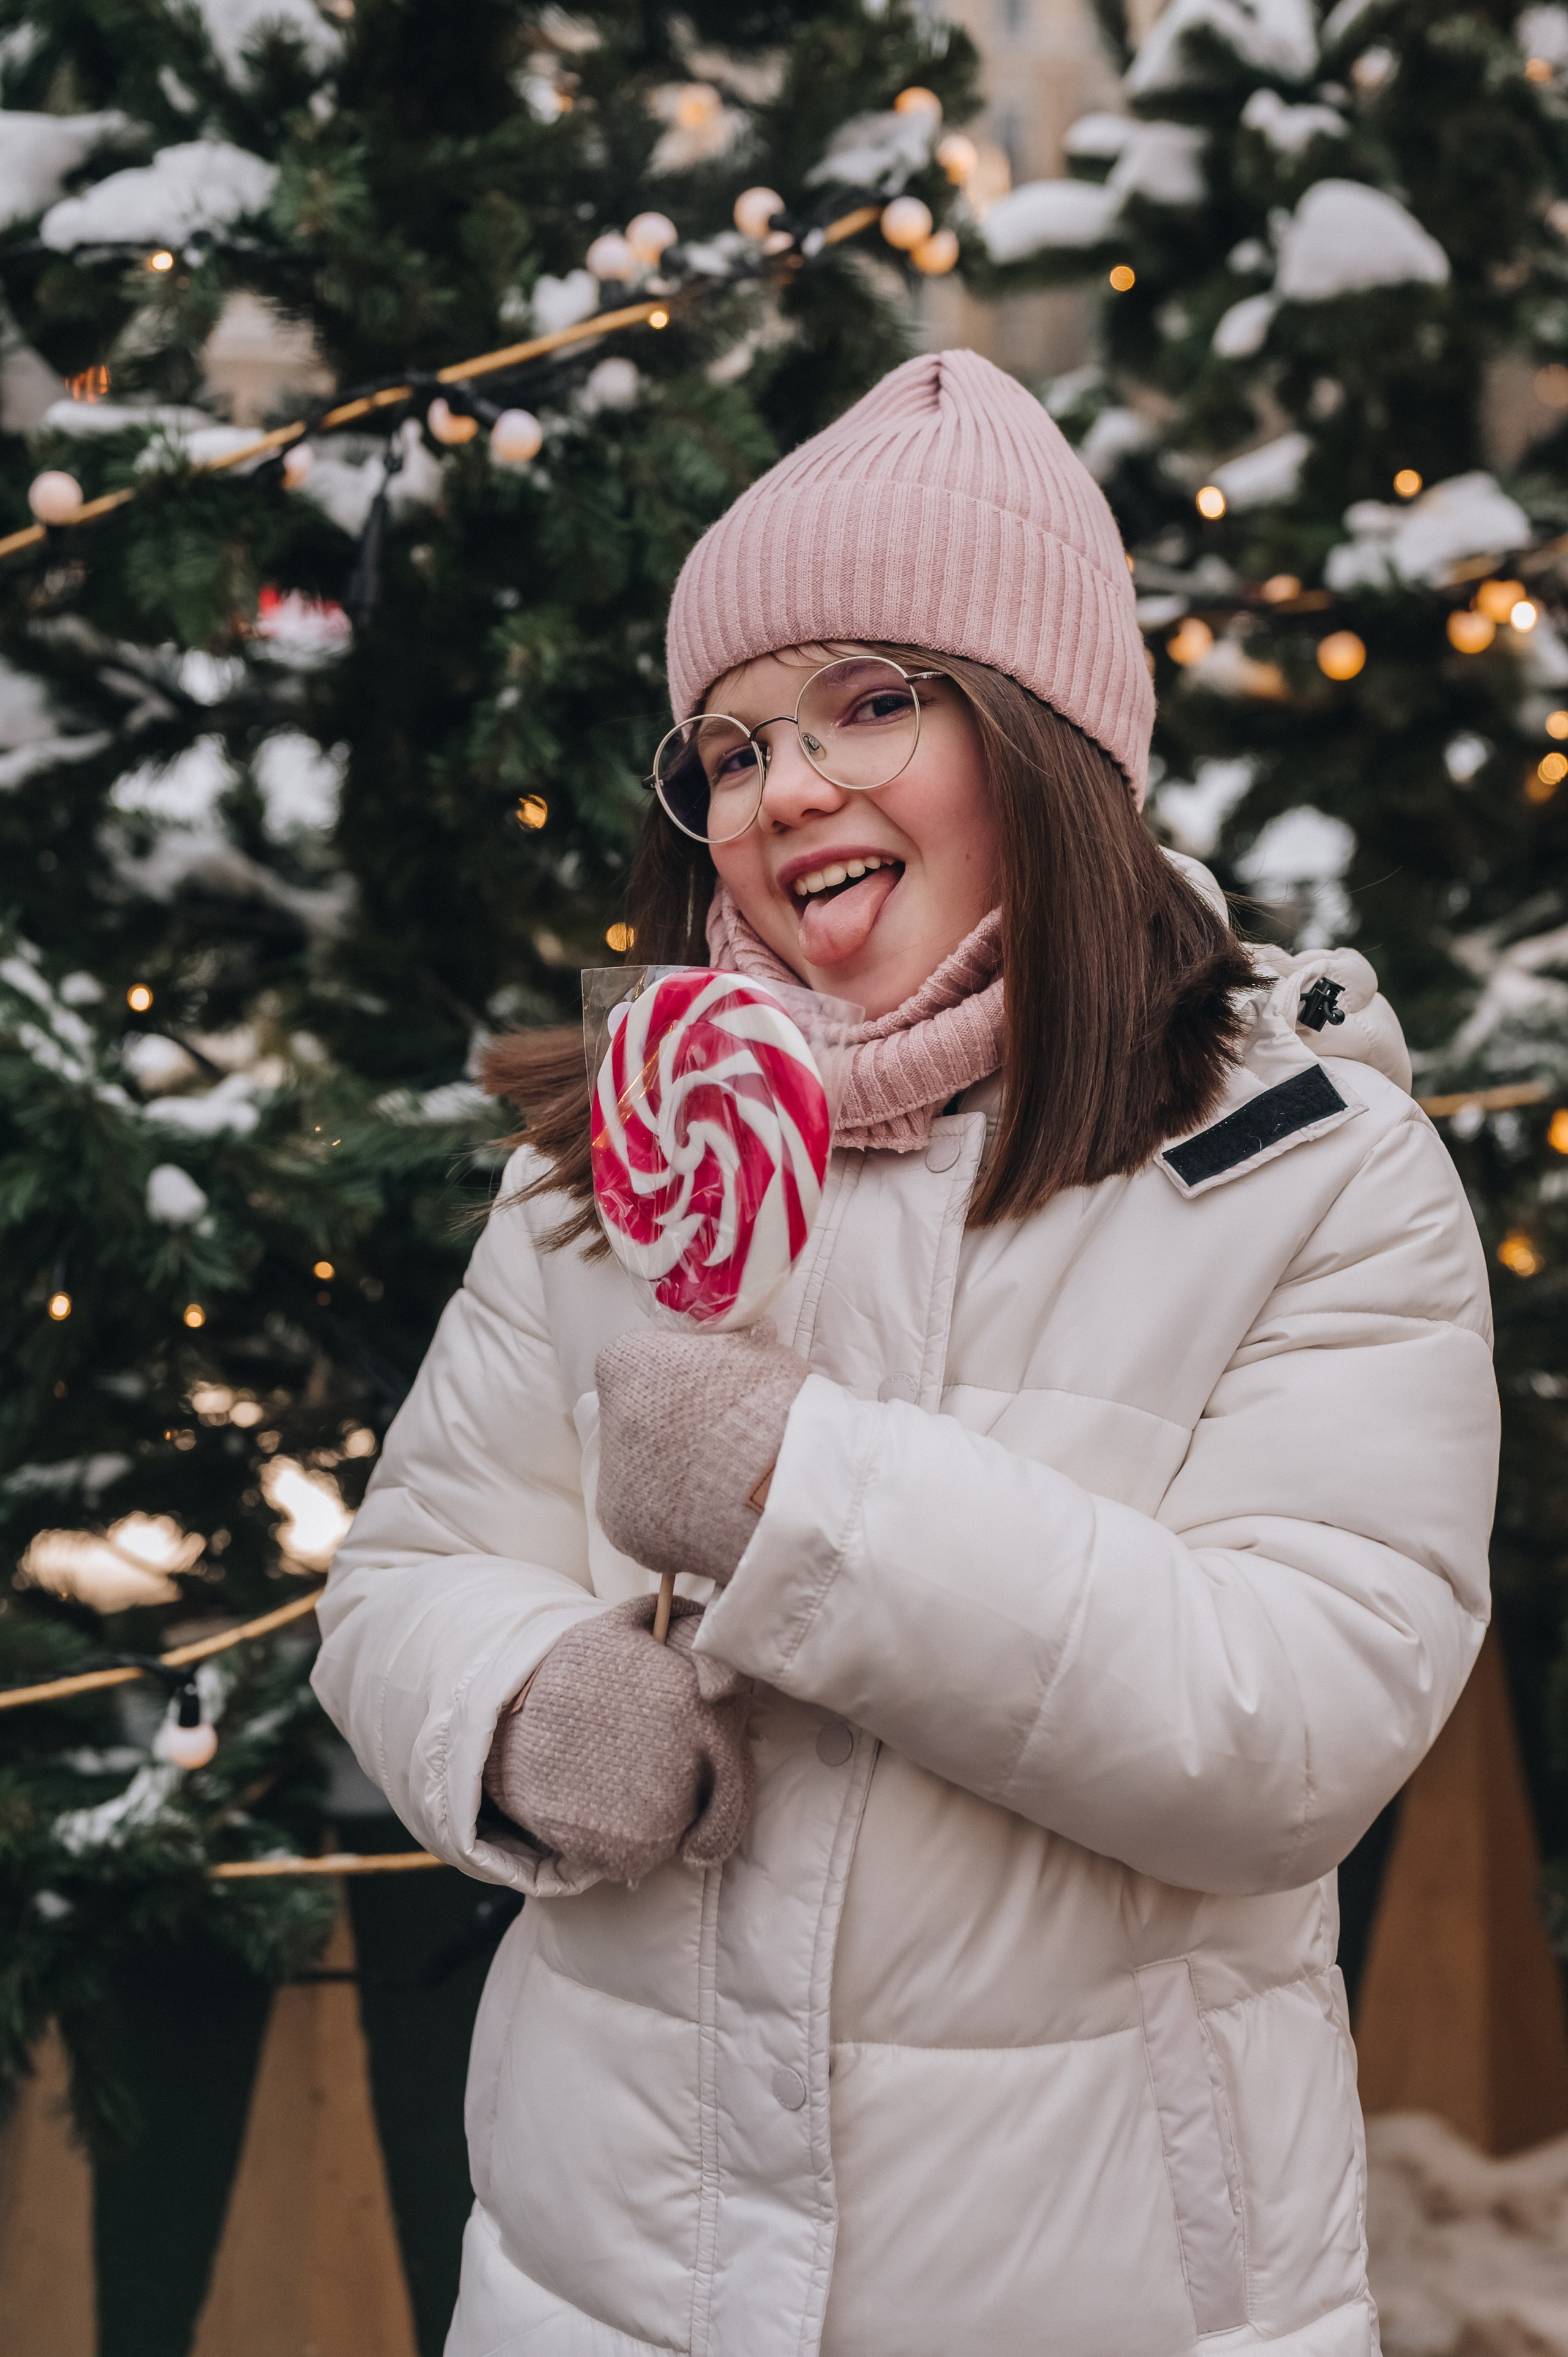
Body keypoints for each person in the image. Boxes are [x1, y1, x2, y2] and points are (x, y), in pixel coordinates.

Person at [312, 350, 1499, 2357]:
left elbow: (1289, 1727)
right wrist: (520, 1707)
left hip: (1113, 2296)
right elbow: (403, 1575)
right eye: (737, 745)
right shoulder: (615, 1165)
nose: (793, 790)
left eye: (876, 702)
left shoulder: (1308, 1171)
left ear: (1043, 739)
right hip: (608, 2293)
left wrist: (805, 1496)